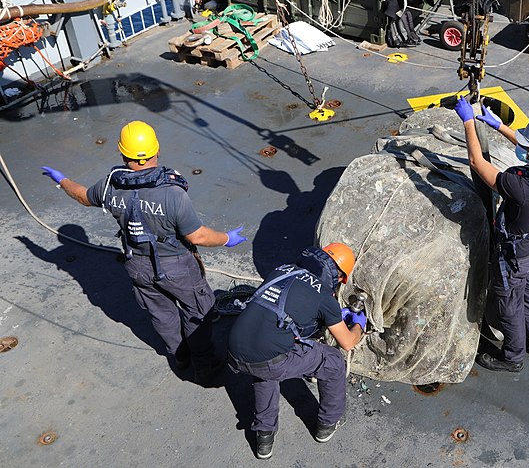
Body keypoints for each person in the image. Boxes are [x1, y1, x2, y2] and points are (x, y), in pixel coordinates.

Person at [41, 120, 247, 381]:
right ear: (156, 150)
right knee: (198, 311)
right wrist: (227, 238)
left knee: (161, 313)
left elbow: (83, 196)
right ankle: (204, 363)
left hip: (137, 263)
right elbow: (198, 236)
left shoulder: (110, 185)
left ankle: (180, 356)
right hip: (177, 266)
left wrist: (62, 180)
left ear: (122, 153)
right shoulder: (172, 193)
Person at [454, 97, 529, 373]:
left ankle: (513, 357)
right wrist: (499, 126)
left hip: (514, 258)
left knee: (509, 306)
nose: (526, 149)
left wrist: (469, 122)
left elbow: (476, 161)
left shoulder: (520, 186)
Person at [226, 243, 364, 459]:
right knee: (333, 361)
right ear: (339, 277)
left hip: (235, 347)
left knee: (265, 369)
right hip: (267, 357)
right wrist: (358, 325)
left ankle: (264, 436)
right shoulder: (325, 297)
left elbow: (290, 305)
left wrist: (330, 314)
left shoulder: (282, 269)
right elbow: (347, 342)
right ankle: (328, 424)